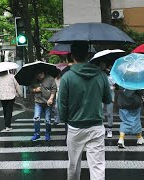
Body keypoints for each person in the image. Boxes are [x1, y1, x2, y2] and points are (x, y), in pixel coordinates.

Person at [58, 42, 112, 180]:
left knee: (74, 165)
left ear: (71, 56)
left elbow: (62, 104)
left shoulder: (67, 77)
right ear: (88, 55)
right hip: (96, 126)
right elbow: (107, 99)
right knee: (97, 166)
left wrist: (65, 119)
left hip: (75, 126)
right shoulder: (101, 75)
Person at [30, 70, 57, 141]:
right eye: (37, 75)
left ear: (43, 73)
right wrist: (35, 90)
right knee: (36, 117)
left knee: (47, 120)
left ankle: (47, 133)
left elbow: (54, 90)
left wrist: (51, 99)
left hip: (48, 102)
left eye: (40, 74)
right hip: (38, 102)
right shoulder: (34, 80)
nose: (39, 76)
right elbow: (30, 89)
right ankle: (37, 134)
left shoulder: (50, 79)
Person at [103, 65, 116, 138]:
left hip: (110, 96)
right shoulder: (99, 74)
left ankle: (109, 130)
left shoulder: (112, 75)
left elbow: (114, 86)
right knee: (100, 113)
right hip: (101, 96)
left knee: (109, 113)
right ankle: (101, 129)